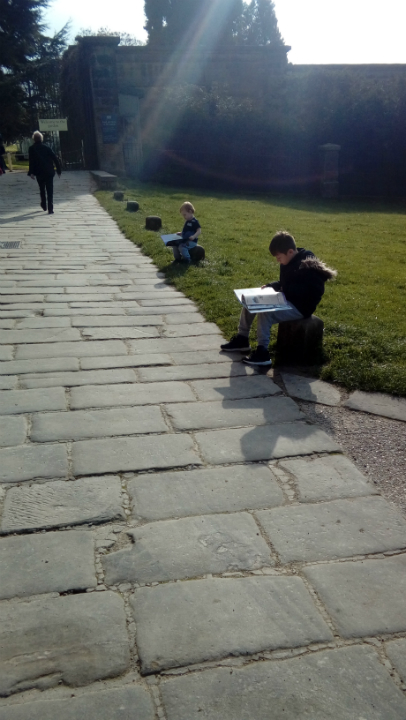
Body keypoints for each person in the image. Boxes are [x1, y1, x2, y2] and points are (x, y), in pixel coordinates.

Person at [221, 231, 337, 366]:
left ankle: (262, 352)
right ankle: (242, 339)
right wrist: (272, 286)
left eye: (278, 257)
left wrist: (284, 291)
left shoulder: (308, 264)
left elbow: (314, 291)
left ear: (290, 252)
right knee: (250, 301)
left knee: (266, 313)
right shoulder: (287, 262)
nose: (277, 260)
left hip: (300, 307)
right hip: (285, 299)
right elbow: (285, 283)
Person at [28, 131, 62, 214]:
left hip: (39, 172)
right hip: (49, 171)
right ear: (41, 138)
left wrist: (31, 172)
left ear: (33, 139)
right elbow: (55, 158)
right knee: (50, 189)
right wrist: (58, 170)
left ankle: (43, 204)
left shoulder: (31, 149)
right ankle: (50, 208)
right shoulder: (47, 148)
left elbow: (31, 161)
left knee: (42, 189)